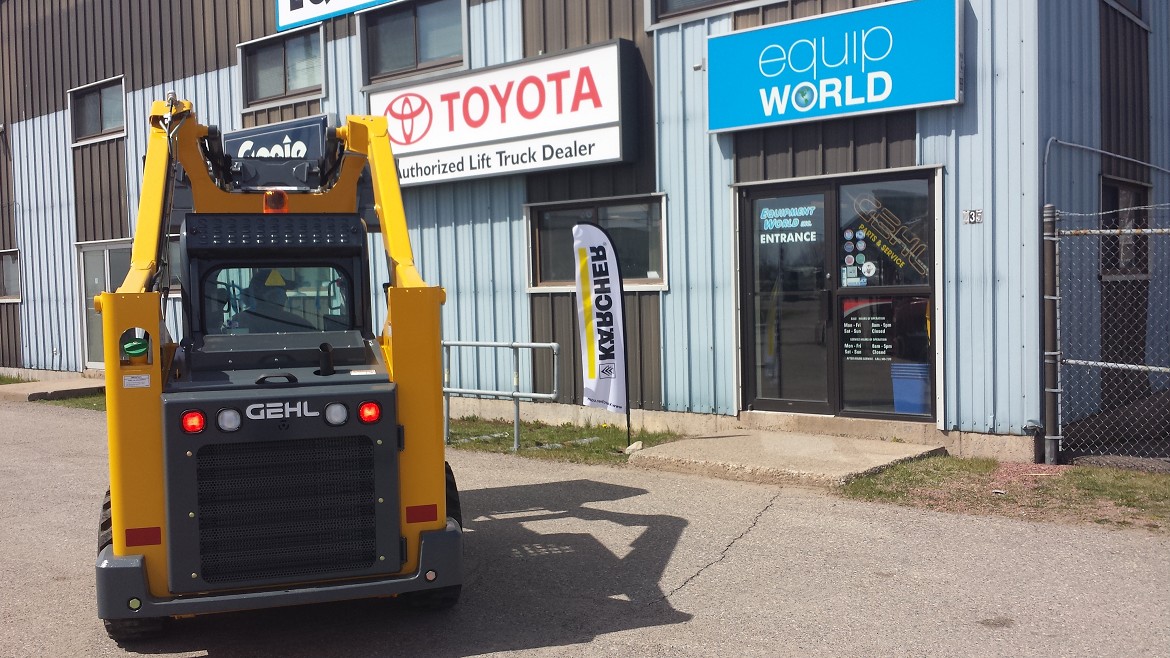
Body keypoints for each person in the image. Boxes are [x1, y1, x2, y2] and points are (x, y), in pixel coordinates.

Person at [231, 269, 316, 333]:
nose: (285, 297)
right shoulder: (297, 324)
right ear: (272, 296)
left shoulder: (237, 321)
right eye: (281, 292)